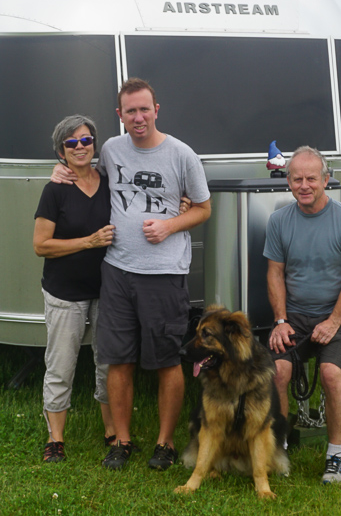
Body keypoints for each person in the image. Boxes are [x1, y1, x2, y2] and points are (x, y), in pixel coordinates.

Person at [54, 77, 211, 471]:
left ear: (156, 110)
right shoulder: (110, 149)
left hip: (164, 273)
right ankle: (122, 441)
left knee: (165, 361)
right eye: (130, 111)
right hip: (118, 271)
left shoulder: (182, 155)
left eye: (144, 109)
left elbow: (204, 209)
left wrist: (170, 226)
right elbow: (84, 171)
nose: (138, 117)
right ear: (119, 115)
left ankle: (165, 443)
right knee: (117, 359)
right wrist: (58, 171)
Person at [264, 146, 341, 485]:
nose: (304, 185)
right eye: (297, 179)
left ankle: (336, 456)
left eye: (312, 178)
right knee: (277, 372)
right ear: (289, 182)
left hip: (336, 316)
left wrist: (334, 321)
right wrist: (280, 321)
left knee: (330, 375)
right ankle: (279, 446)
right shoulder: (280, 220)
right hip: (295, 316)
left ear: (326, 179)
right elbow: (275, 273)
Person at [33, 114, 116, 463]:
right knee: (61, 365)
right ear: (61, 151)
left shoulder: (110, 182)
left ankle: (112, 432)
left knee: (108, 364)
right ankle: (56, 440)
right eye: (72, 143)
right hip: (65, 292)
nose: (80, 147)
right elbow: (41, 245)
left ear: (94, 144)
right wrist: (89, 242)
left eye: (86, 140)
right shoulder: (55, 190)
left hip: (107, 290)